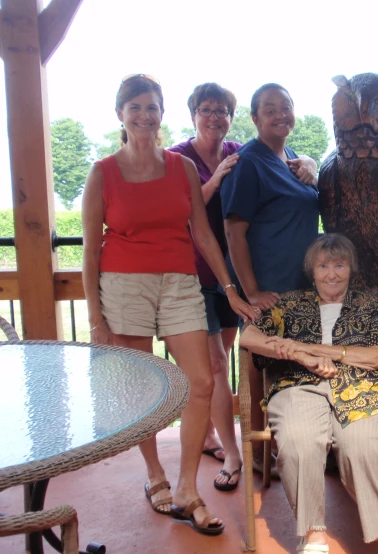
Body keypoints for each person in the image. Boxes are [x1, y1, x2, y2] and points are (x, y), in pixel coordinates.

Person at [81, 74, 258, 535]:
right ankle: (156, 476)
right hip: (123, 286)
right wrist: (96, 319)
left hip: (180, 283)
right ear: (121, 113)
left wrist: (230, 287)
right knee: (143, 390)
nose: (144, 116)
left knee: (200, 382)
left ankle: (186, 488)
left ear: (163, 113)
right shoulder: (103, 172)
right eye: (135, 107)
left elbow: (201, 233)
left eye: (152, 107)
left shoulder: (180, 167)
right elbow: (88, 252)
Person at [241, 234, 378, 554]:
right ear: (312, 270)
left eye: (339, 265)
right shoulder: (289, 304)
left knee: (362, 445)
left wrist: (310, 349)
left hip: (364, 386)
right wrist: (300, 357)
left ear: (351, 268)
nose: (331, 274)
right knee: (298, 439)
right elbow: (250, 336)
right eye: (323, 266)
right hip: (298, 383)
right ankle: (312, 534)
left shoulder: (369, 304)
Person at [221, 82, 319, 475]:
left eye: (287, 106)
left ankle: (286, 453)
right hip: (269, 291)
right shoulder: (249, 162)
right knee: (260, 376)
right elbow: (233, 231)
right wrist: (251, 291)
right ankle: (260, 461)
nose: (281, 114)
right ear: (255, 118)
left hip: (300, 288)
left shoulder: (294, 159)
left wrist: (314, 164)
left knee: (291, 372)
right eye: (270, 108)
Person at [168, 82, 243, 491]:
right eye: (207, 109)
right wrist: (214, 179)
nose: (214, 117)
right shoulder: (178, 157)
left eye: (222, 110)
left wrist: (305, 162)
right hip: (192, 276)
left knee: (222, 358)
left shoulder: (237, 150)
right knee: (213, 367)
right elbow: (181, 210)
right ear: (194, 114)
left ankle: (212, 435)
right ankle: (233, 453)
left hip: (231, 276)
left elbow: (278, 157)